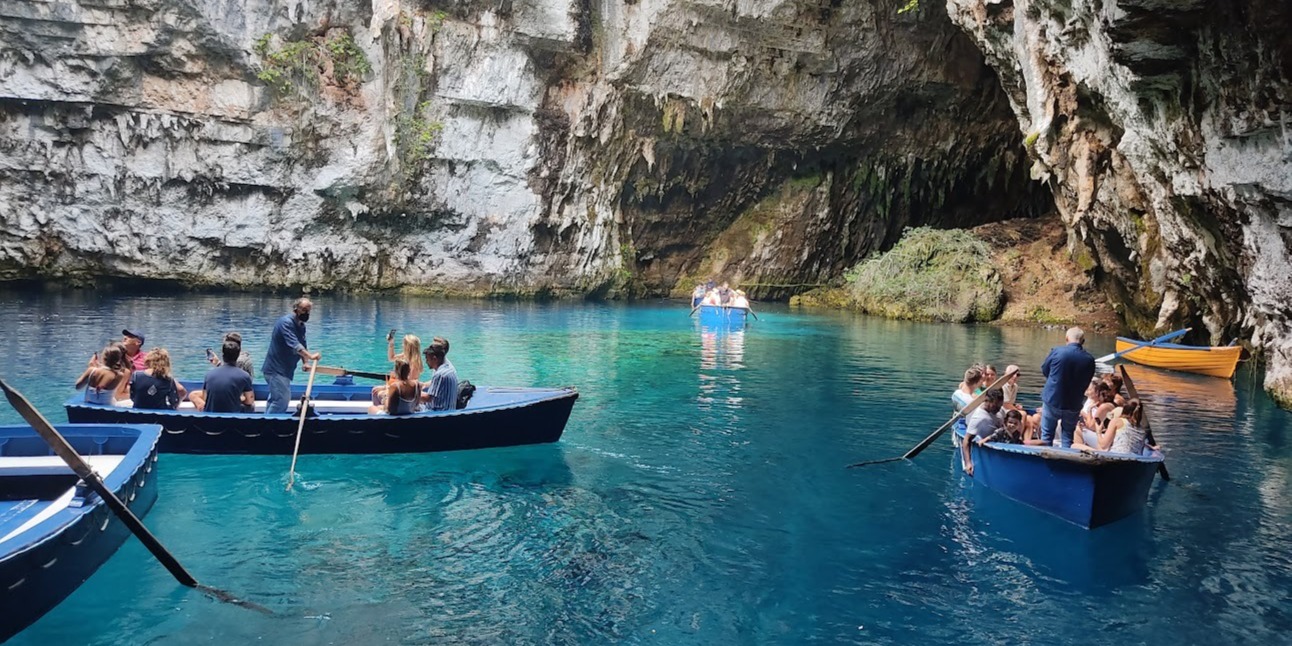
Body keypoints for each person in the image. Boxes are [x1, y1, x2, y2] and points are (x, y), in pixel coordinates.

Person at [261, 297, 321, 414]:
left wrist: (305, 362)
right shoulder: (286, 323)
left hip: (285, 370)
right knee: (281, 400)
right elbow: (295, 345)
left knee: (275, 399)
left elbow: (303, 344)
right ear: (296, 309)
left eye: (309, 311)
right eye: (304, 310)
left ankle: (266, 421)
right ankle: (270, 426)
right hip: (276, 369)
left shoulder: (301, 326)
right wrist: (311, 356)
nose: (307, 313)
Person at [1039, 327, 1096, 447]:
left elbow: (1045, 370)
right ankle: (1064, 460)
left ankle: (1046, 463)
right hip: (1074, 403)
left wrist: (1055, 381)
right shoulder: (1090, 360)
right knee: (1067, 437)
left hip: (1053, 398)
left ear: (1066, 339)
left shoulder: (1057, 352)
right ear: (1083, 341)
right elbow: (1088, 380)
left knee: (1047, 435)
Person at [194, 341, 255, 413]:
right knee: (251, 406)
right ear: (238, 355)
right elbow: (249, 401)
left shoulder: (209, 375)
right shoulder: (244, 376)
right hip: (233, 418)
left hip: (211, 420)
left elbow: (205, 398)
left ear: (223, 355)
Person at [961, 388, 1005, 476]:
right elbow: (966, 440)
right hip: (991, 444)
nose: (998, 409)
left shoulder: (998, 410)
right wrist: (968, 462)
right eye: (995, 406)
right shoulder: (979, 418)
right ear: (987, 401)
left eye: (1000, 406)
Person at [373, 334, 424, 405]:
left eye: (404, 344)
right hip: (401, 388)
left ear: (408, 347)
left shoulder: (414, 364)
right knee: (375, 391)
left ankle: (383, 411)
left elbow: (408, 383)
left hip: (406, 393)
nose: (402, 346)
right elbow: (391, 358)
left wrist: (387, 388)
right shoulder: (405, 356)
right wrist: (391, 343)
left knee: (376, 393)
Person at [420, 337, 459, 411]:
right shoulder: (447, 367)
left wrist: (409, 392)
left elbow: (428, 398)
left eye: (427, 359)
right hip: (448, 408)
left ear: (434, 359)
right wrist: (422, 385)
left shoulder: (440, 374)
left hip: (438, 413)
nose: (426, 362)